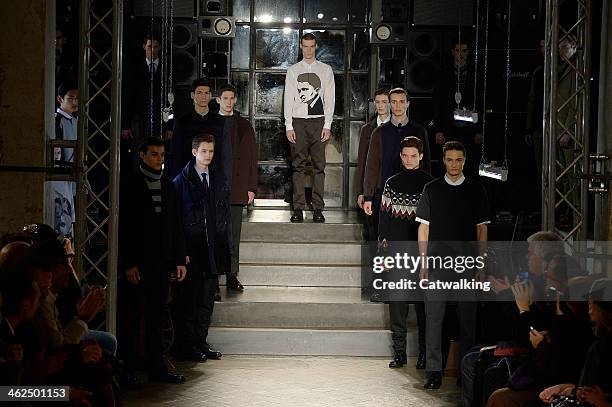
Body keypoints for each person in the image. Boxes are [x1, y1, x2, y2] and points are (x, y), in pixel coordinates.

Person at [415, 141, 491, 390]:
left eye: (458, 159)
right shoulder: (431, 189)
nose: (454, 164)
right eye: (449, 159)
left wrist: (480, 264)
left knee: (468, 321)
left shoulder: (476, 190)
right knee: (434, 319)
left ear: (464, 161)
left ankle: (466, 371)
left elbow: (482, 230)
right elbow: (423, 228)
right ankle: (434, 372)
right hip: (437, 264)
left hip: (467, 264)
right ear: (443, 160)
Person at [118, 137, 187, 384]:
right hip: (139, 262)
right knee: (131, 316)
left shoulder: (168, 185)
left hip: (161, 261)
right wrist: (128, 263)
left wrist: (179, 259)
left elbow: (175, 224)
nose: (159, 159)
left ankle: (157, 367)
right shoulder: (131, 185)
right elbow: (124, 228)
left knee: (157, 316)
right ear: (142, 155)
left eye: (162, 155)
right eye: (154, 154)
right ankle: (127, 368)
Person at [173, 134, 231, 363]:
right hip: (192, 251)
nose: (208, 155)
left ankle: (200, 341)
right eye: (204, 151)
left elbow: (222, 215)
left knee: (207, 300)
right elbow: (177, 221)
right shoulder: (181, 181)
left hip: (212, 250)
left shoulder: (217, 178)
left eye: (211, 151)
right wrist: (181, 252)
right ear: (194, 152)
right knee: (190, 301)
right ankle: (187, 345)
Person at [377, 136, 433, 371]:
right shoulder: (391, 183)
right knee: (397, 305)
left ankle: (423, 354)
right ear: (400, 157)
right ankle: (400, 353)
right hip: (398, 253)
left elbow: (434, 224)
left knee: (424, 307)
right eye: (405, 156)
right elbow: (384, 222)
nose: (409, 160)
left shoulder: (431, 185)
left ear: (421, 156)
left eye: (413, 156)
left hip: (422, 254)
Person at [284, 33, 335, 223]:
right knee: (297, 166)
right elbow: (288, 98)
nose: (308, 50)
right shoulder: (293, 70)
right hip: (297, 121)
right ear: (300, 46)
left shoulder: (326, 70)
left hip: (318, 121)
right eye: (305, 46)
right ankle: (297, 208)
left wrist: (327, 124)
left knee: (319, 167)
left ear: (316, 47)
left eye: (311, 46)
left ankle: (317, 209)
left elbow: (330, 99)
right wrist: (289, 125)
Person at [216, 84, 257, 293]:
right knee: (215, 235)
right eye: (225, 98)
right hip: (213, 189)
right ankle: (213, 281)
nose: (229, 102)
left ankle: (232, 276)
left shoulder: (244, 125)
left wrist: (251, 187)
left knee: (233, 236)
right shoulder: (211, 123)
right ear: (218, 100)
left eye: (232, 98)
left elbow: (251, 158)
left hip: (237, 188)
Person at [120, 33, 172, 177]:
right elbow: (127, 98)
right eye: (150, 46)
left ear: (159, 47)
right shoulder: (134, 68)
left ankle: (159, 179)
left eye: (155, 47)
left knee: (160, 150)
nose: (153, 50)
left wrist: (170, 125)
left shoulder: (167, 69)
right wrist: (125, 124)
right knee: (139, 150)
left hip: (161, 119)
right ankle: (139, 178)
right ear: (144, 47)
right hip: (139, 119)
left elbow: (172, 100)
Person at [168, 78, 231, 193]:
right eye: (199, 92)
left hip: (214, 180)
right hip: (188, 180)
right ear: (192, 95)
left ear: (211, 95)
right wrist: (176, 182)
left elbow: (226, 154)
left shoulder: (221, 122)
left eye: (207, 93)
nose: (203, 96)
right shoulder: (182, 122)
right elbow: (175, 154)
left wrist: (226, 183)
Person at [432, 41, 481, 175]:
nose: (461, 54)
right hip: (448, 125)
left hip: (469, 126)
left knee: (469, 162)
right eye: (458, 50)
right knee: (447, 160)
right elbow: (437, 103)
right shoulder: (443, 73)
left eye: (464, 51)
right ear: (453, 52)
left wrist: (479, 130)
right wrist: (438, 129)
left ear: (468, 52)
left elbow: (481, 103)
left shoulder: (476, 74)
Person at [46, 82, 78, 237]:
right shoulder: (57, 120)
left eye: (77, 98)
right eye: (71, 98)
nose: (75, 102)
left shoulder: (76, 121)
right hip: (61, 176)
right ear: (60, 99)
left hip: (71, 176)